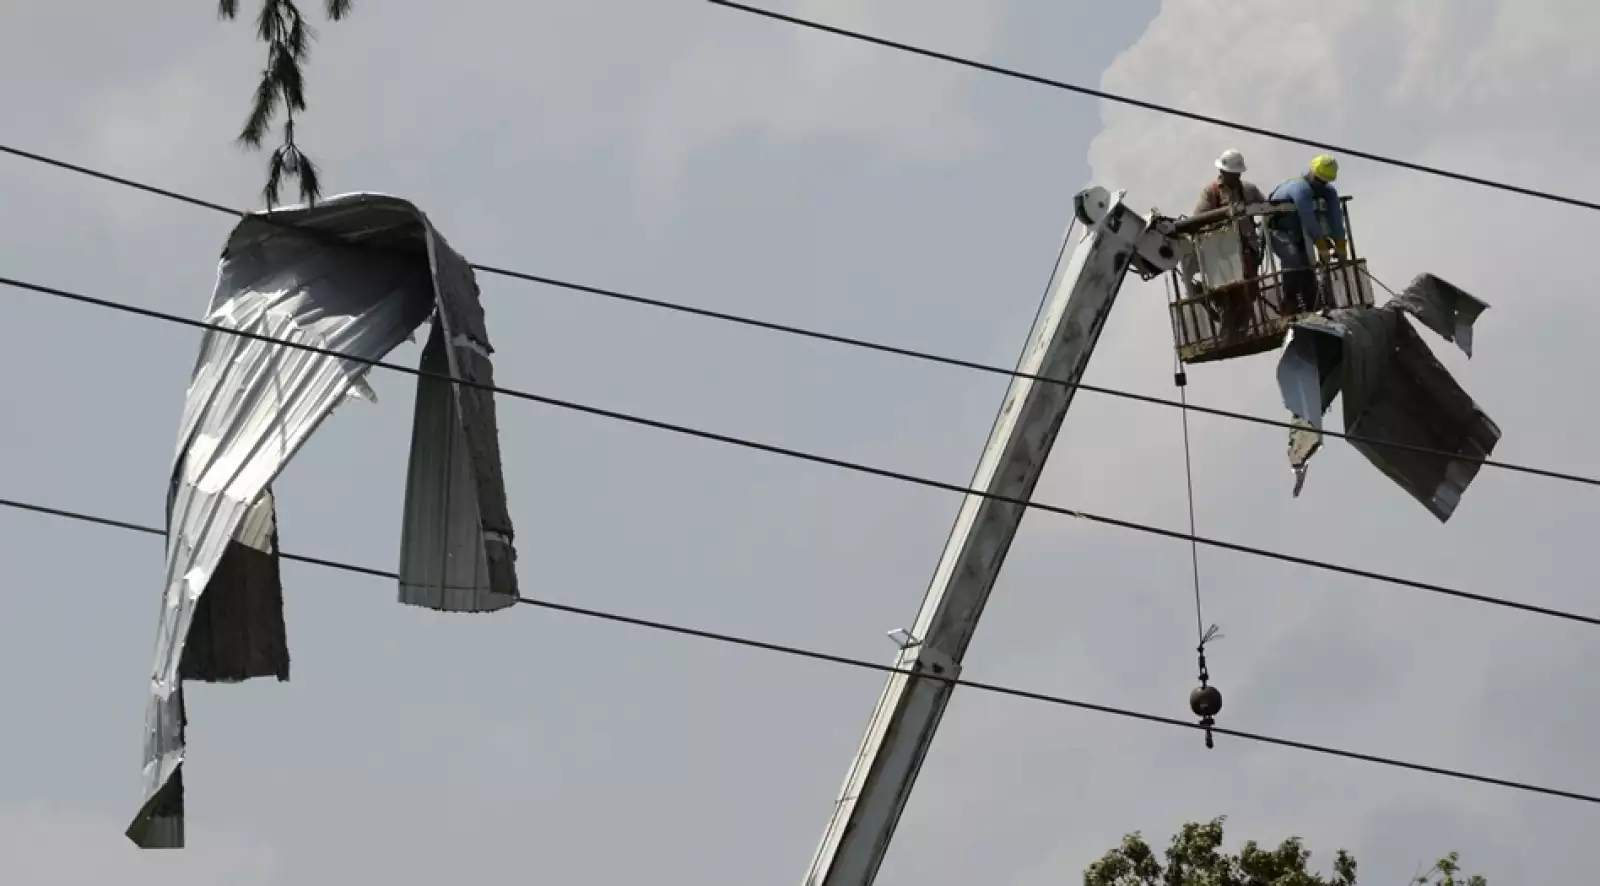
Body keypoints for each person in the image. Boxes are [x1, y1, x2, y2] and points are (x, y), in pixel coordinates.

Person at [1181, 149, 1266, 336]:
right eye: (1231, 174)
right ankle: (1228, 332)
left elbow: (1267, 208)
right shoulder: (1211, 192)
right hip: (1221, 251)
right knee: (1226, 292)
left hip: (1247, 248)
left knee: (1248, 292)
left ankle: (1240, 331)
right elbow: (1197, 219)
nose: (1234, 177)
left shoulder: (1249, 190)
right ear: (1223, 172)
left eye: (1237, 174)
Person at [1266, 154, 1348, 314]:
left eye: (1324, 182)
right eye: (1318, 180)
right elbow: (1308, 218)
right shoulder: (1300, 189)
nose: (1321, 184)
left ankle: (1312, 303)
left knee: (1307, 265)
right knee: (1293, 259)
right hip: (1279, 231)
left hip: (1301, 235)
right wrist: (1322, 246)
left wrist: (1341, 245)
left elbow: (1336, 218)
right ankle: (1290, 303)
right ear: (1311, 173)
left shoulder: (1328, 192)